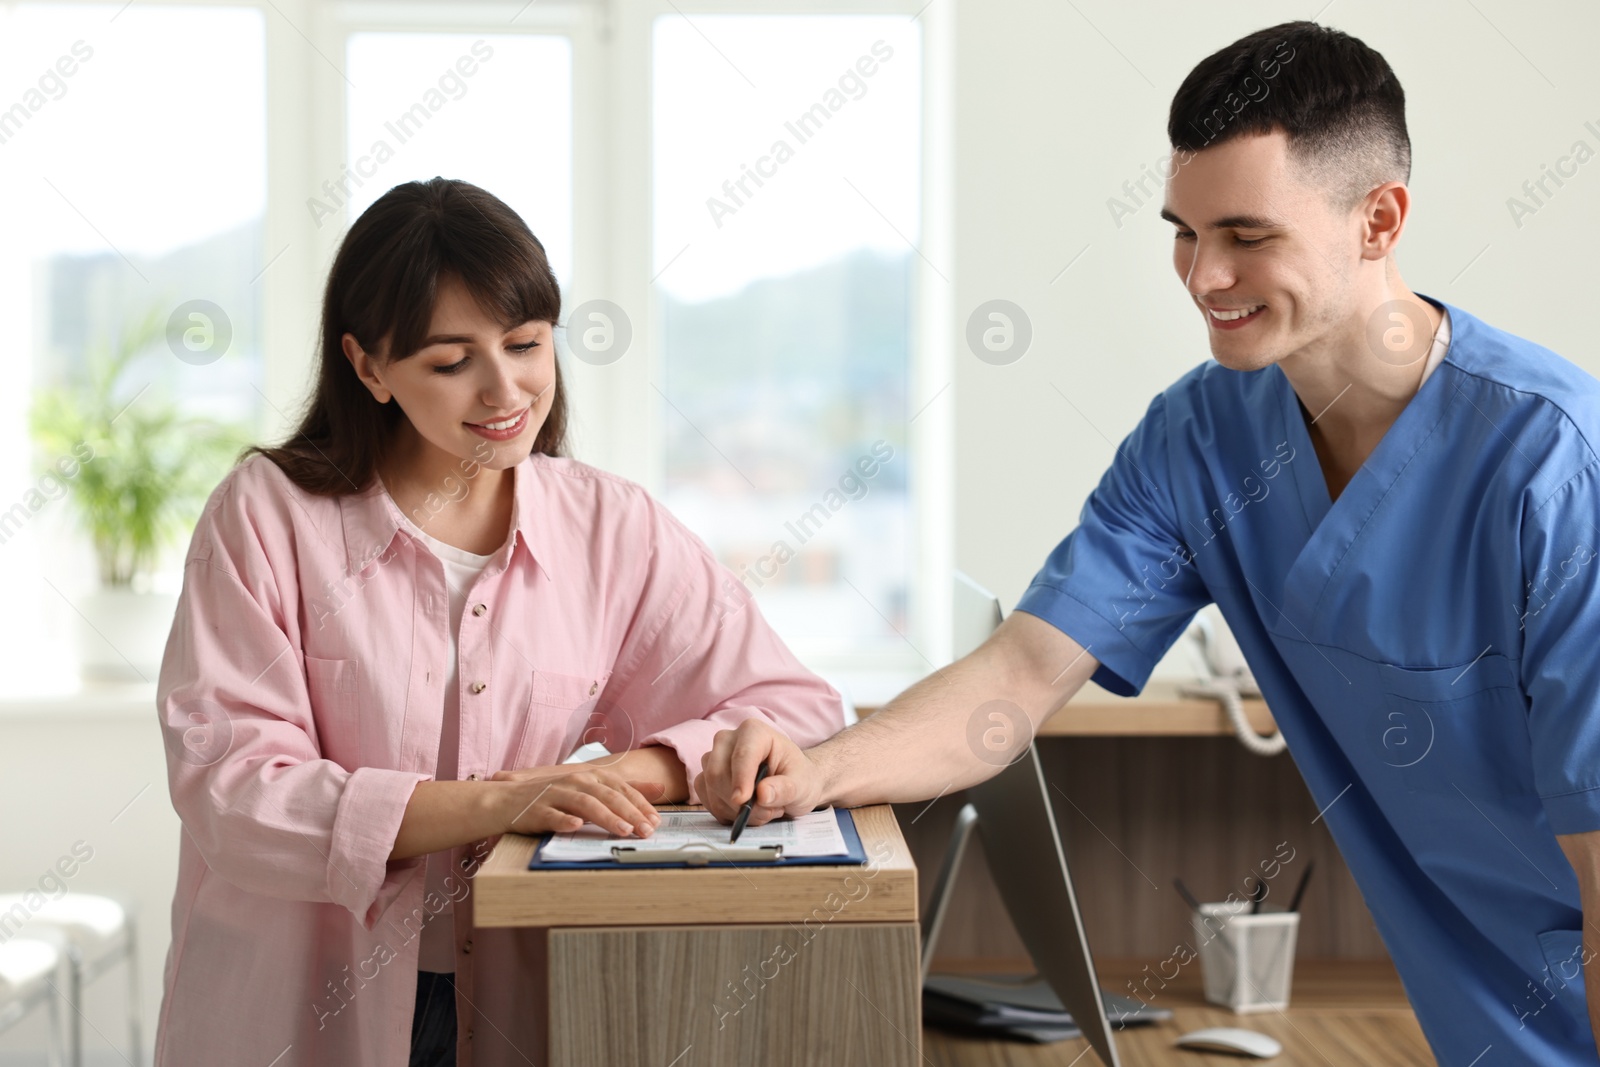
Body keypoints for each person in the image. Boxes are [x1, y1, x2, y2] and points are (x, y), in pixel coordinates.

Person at [698, 20, 1600, 1064]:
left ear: (1378, 220)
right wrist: (817, 769)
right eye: (1183, 229)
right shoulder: (1200, 440)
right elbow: (1019, 674)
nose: (1203, 274)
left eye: (1247, 235)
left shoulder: (1553, 466)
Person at [152, 178, 845, 1066]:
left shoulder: (610, 526)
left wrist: (638, 773)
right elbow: (233, 785)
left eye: (526, 343)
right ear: (368, 367)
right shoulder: (266, 514)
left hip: (517, 995)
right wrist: (502, 799)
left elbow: (796, 703)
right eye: (451, 361)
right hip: (301, 1007)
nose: (505, 387)